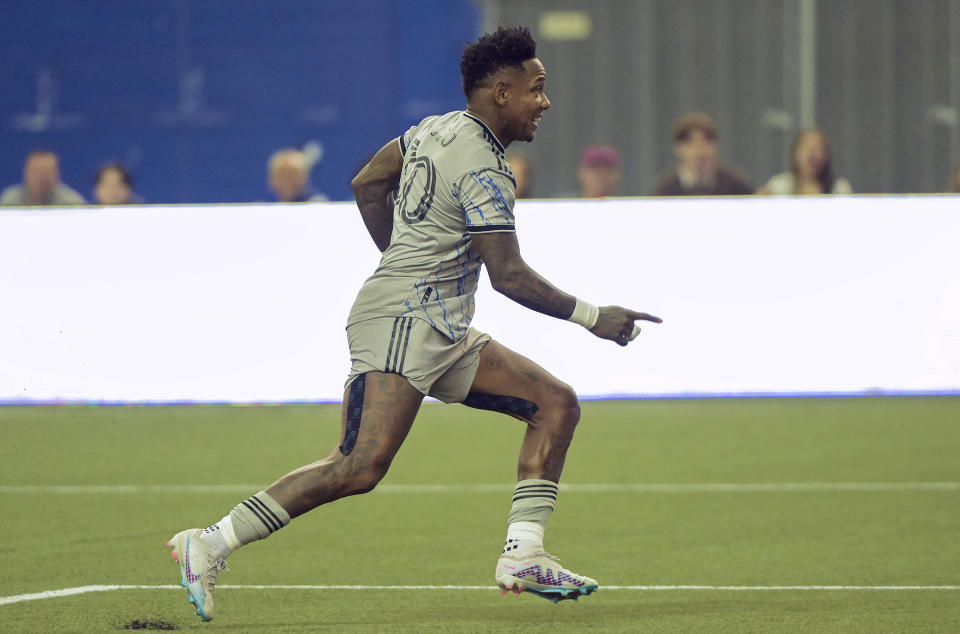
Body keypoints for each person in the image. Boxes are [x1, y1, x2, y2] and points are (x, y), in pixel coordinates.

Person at [166, 25, 661, 621]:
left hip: (439, 325)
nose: (545, 101)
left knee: (555, 403)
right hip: (405, 321)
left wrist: (401, 254)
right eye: (537, 88)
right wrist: (593, 316)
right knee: (358, 466)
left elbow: (368, 181)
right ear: (502, 92)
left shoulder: (434, 128)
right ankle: (210, 542)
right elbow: (508, 275)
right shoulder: (486, 168)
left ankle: (524, 553)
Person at [653, 112, 752, 196]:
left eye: (705, 142)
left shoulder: (737, 186)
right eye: (690, 143)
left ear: (715, 146)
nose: (699, 150)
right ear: (677, 148)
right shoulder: (665, 190)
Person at [757, 128, 853, 195]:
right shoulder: (779, 186)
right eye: (807, 147)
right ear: (796, 153)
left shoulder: (840, 189)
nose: (812, 154)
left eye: (818, 148)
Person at [0, 150, 86, 206]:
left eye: (47, 171)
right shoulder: (10, 200)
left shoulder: (72, 202)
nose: (42, 177)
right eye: (37, 171)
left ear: (57, 173)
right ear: (26, 172)